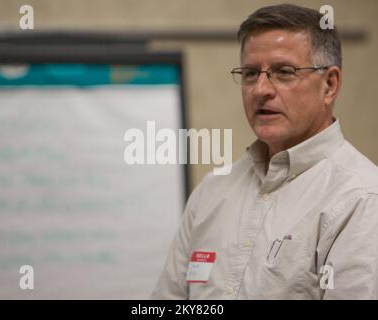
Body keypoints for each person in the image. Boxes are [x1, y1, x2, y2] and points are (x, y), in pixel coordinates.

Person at [151, 4, 378, 299]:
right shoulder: (212, 191)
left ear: (330, 85)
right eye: (250, 73)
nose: (260, 89)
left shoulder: (360, 199)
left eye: (283, 72)